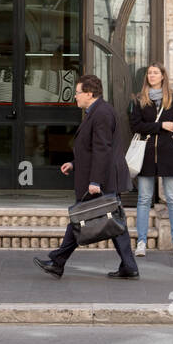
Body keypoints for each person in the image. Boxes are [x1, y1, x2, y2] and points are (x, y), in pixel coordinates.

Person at [33, 74, 139, 279]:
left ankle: (58, 262)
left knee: (81, 217)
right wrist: (74, 164)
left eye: (78, 92)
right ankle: (129, 266)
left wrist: (95, 182)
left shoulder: (102, 114)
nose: (75, 96)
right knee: (114, 221)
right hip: (101, 176)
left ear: (89, 94)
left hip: (102, 179)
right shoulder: (97, 111)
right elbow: (92, 150)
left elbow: (102, 149)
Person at [129, 63, 173, 257]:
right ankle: (141, 242)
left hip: (168, 153)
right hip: (146, 154)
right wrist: (161, 125)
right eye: (149, 73)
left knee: (172, 199)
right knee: (144, 199)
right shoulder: (139, 99)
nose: (152, 76)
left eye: (156, 73)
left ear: (163, 76)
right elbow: (136, 126)